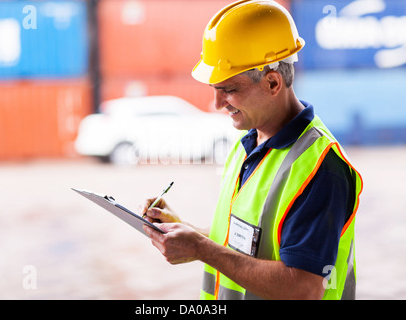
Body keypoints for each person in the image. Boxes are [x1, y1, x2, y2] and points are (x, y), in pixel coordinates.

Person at [141, 0, 363, 300]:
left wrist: (202, 249)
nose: (218, 104)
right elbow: (247, 245)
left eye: (230, 90)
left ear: (273, 82)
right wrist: (186, 232)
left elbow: (303, 287)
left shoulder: (321, 168)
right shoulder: (248, 142)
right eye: (215, 90)